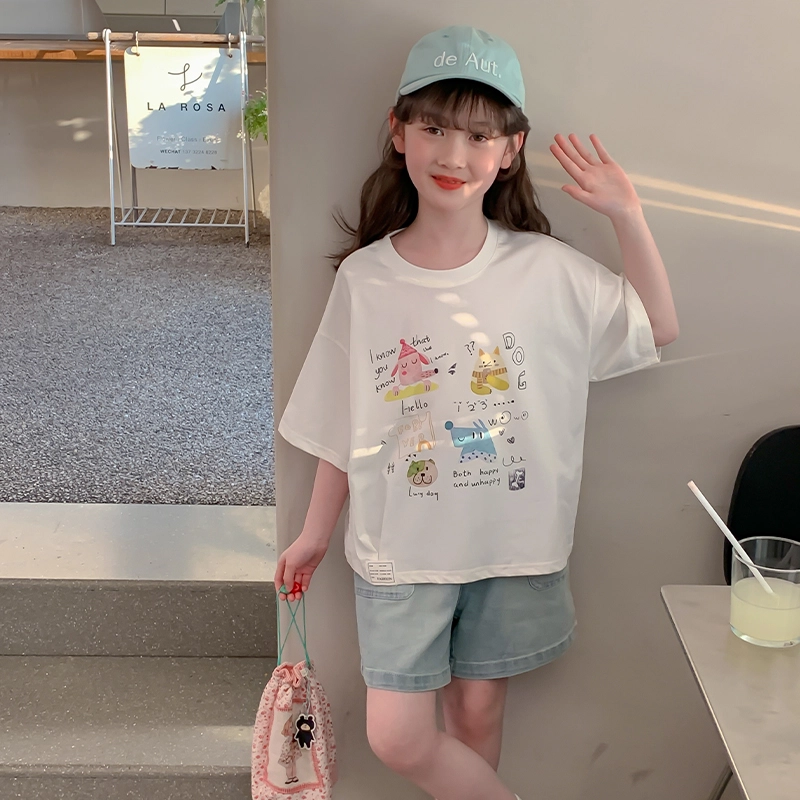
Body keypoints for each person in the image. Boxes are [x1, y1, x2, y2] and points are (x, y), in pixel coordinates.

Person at [274, 25, 678, 800]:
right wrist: (315, 533)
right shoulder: (367, 278)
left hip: (512, 546)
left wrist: (628, 214)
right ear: (399, 133)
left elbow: (656, 326)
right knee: (397, 736)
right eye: (433, 128)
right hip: (400, 550)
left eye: (479, 136)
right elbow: (341, 417)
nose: (453, 155)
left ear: (511, 150)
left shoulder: (544, 268)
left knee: (477, 711)